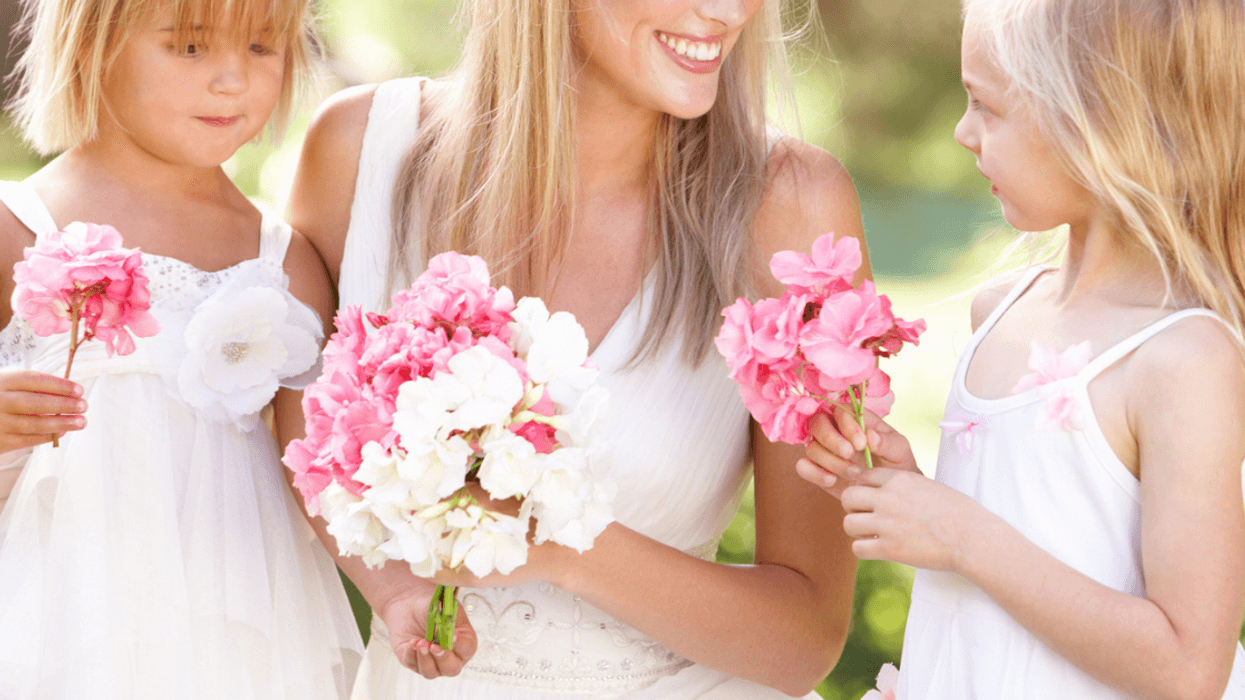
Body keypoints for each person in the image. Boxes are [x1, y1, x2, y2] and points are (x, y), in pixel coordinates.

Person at [283, 0, 864, 696]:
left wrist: (564, 548)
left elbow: (803, 643)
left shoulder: (790, 206)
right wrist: (392, 589)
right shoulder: (359, 151)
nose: (728, 12)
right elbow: (300, 416)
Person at [798, 0, 1245, 697]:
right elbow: (1011, 554)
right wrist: (906, 493)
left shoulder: (1183, 360)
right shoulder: (999, 312)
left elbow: (1189, 668)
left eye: (986, 106)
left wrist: (959, 533)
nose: (961, 131)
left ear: (1097, 122)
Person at [0, 0, 363, 696]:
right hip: (55, 616)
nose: (233, 80)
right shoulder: (17, 227)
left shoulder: (285, 263)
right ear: (92, 48)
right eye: (191, 48)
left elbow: (315, 477)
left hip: (235, 631)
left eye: (261, 48)